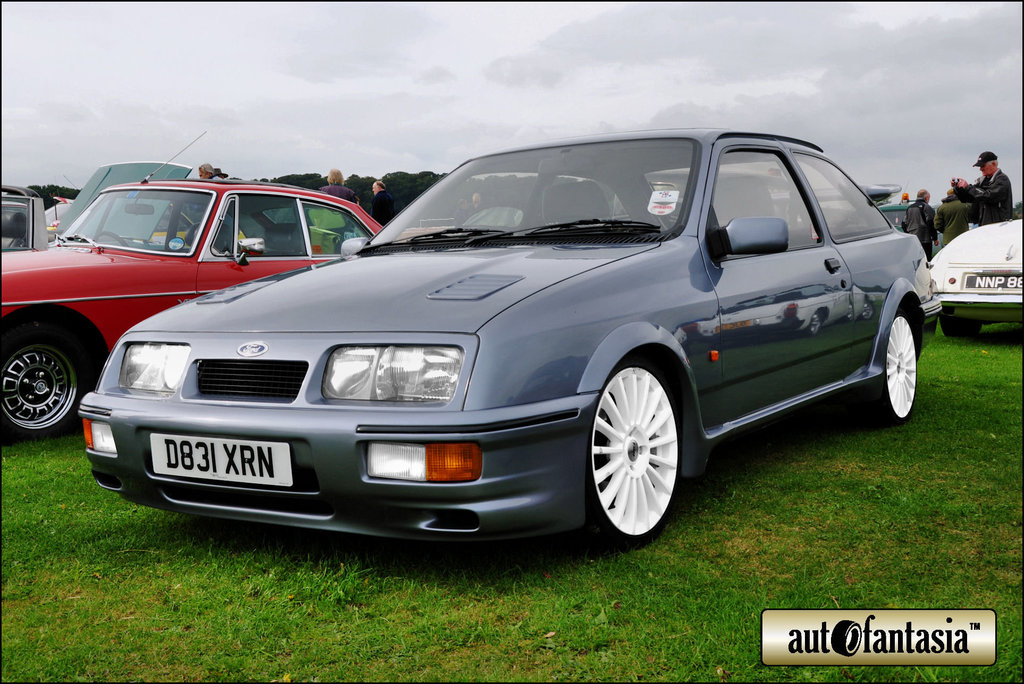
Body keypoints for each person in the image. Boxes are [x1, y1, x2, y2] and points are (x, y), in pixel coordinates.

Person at [952, 151, 1013, 226]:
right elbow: (969, 198)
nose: (980, 169)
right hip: (984, 225)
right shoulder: (982, 181)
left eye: (983, 166)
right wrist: (958, 188)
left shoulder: (1002, 179)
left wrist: (968, 187)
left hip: (999, 225)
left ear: (993, 164)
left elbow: (988, 196)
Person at [902, 189, 937, 259]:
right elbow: (930, 222)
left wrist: (909, 233)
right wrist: (935, 238)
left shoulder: (910, 208)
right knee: (927, 260)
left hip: (914, 241)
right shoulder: (926, 207)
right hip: (925, 240)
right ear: (926, 198)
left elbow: (903, 224)